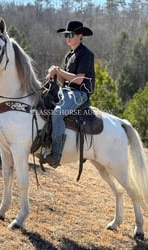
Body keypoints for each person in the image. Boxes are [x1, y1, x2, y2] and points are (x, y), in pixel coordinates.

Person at [38, 20, 95, 167]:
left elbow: (79, 80)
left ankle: (56, 156)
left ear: (80, 36)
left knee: (57, 113)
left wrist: (58, 70)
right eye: (66, 35)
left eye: (70, 34)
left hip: (80, 93)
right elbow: (64, 79)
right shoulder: (69, 55)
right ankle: (45, 143)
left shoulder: (86, 54)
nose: (67, 37)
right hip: (67, 91)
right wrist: (54, 74)